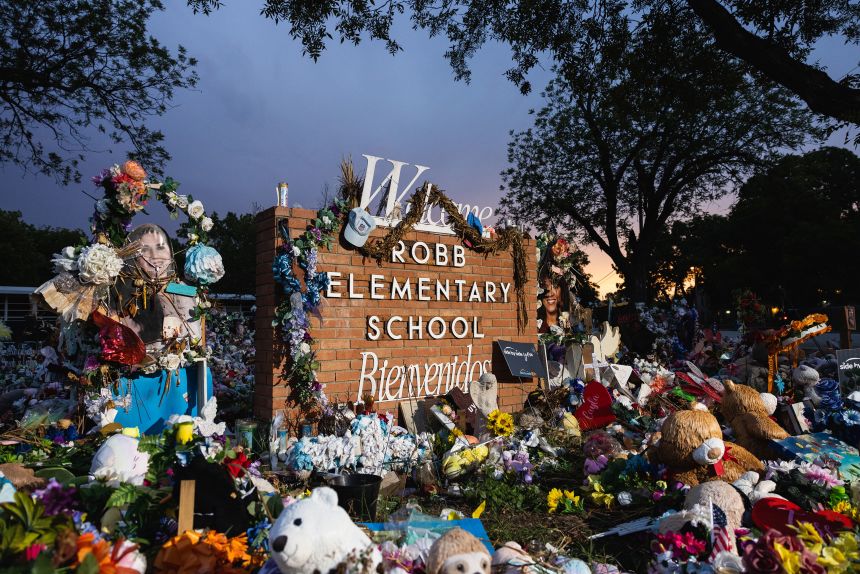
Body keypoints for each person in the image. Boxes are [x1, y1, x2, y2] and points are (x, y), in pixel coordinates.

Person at [118, 223, 200, 351]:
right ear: (133, 258)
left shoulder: (184, 289)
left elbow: (197, 339)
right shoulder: (126, 294)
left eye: (160, 247)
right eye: (144, 250)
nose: (154, 256)